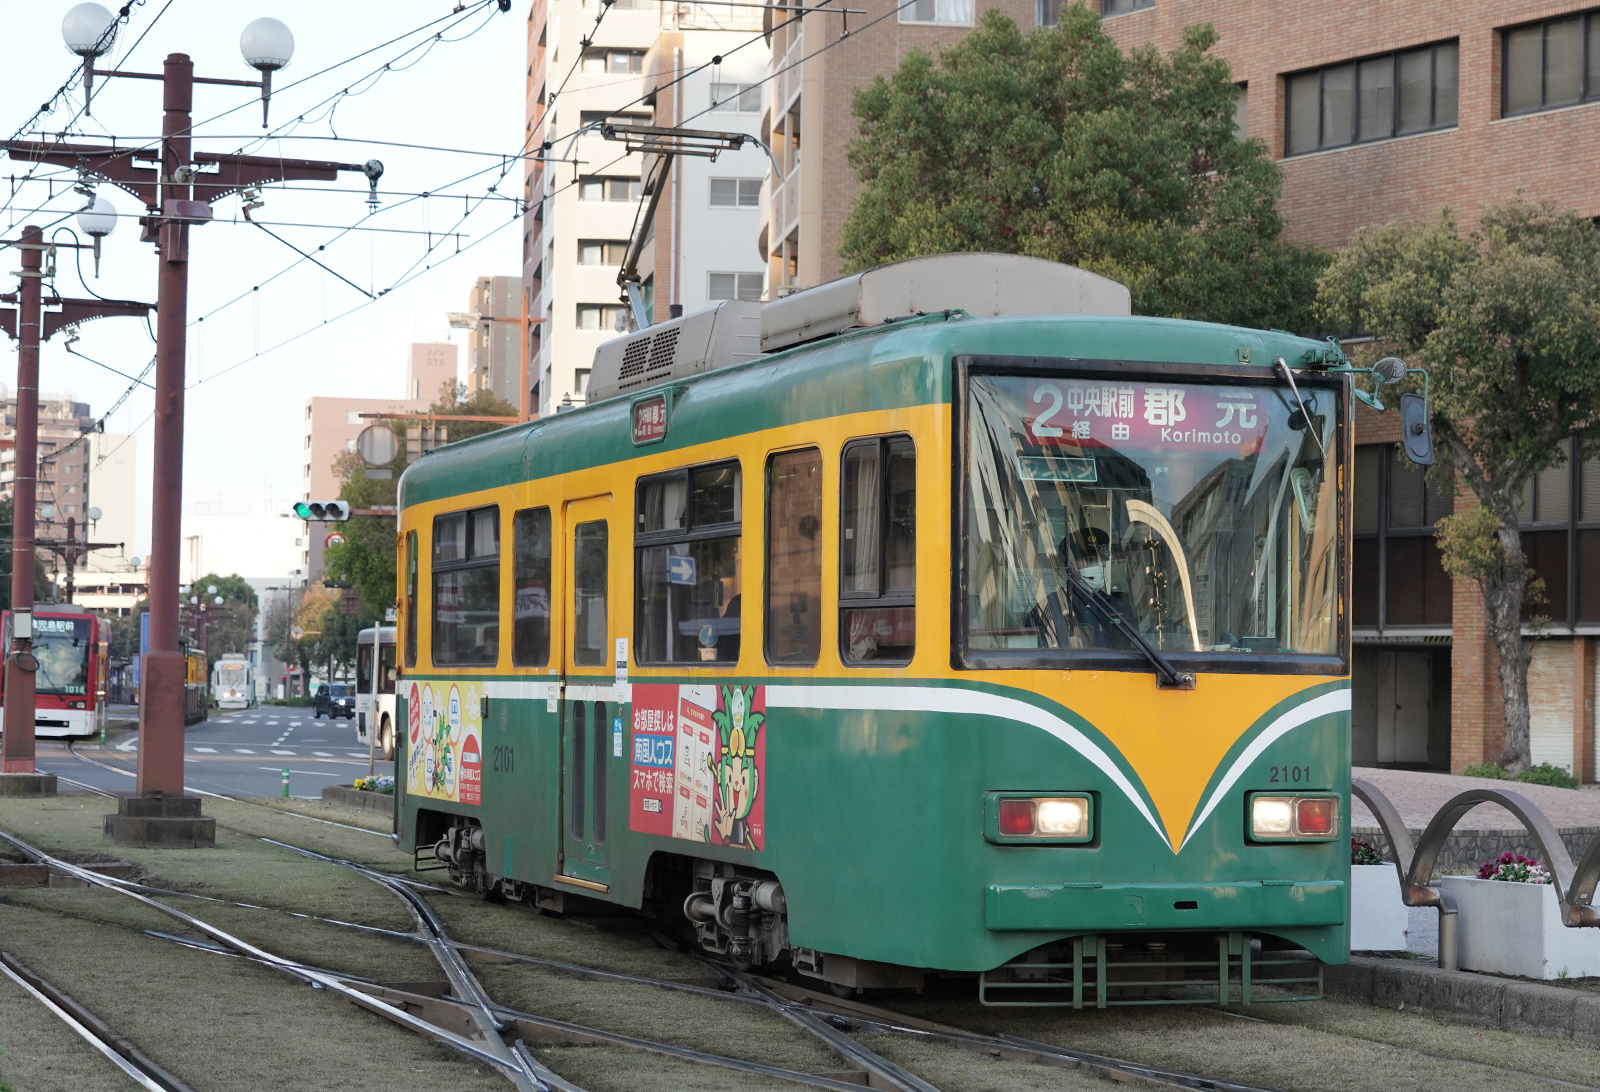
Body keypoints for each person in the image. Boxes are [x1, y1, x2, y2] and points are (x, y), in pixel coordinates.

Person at [1028, 527, 1133, 648]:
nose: (1098, 566)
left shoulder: (1120, 609)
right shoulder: (1049, 608)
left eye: (1102, 560)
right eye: (1089, 560)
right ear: (1070, 566)